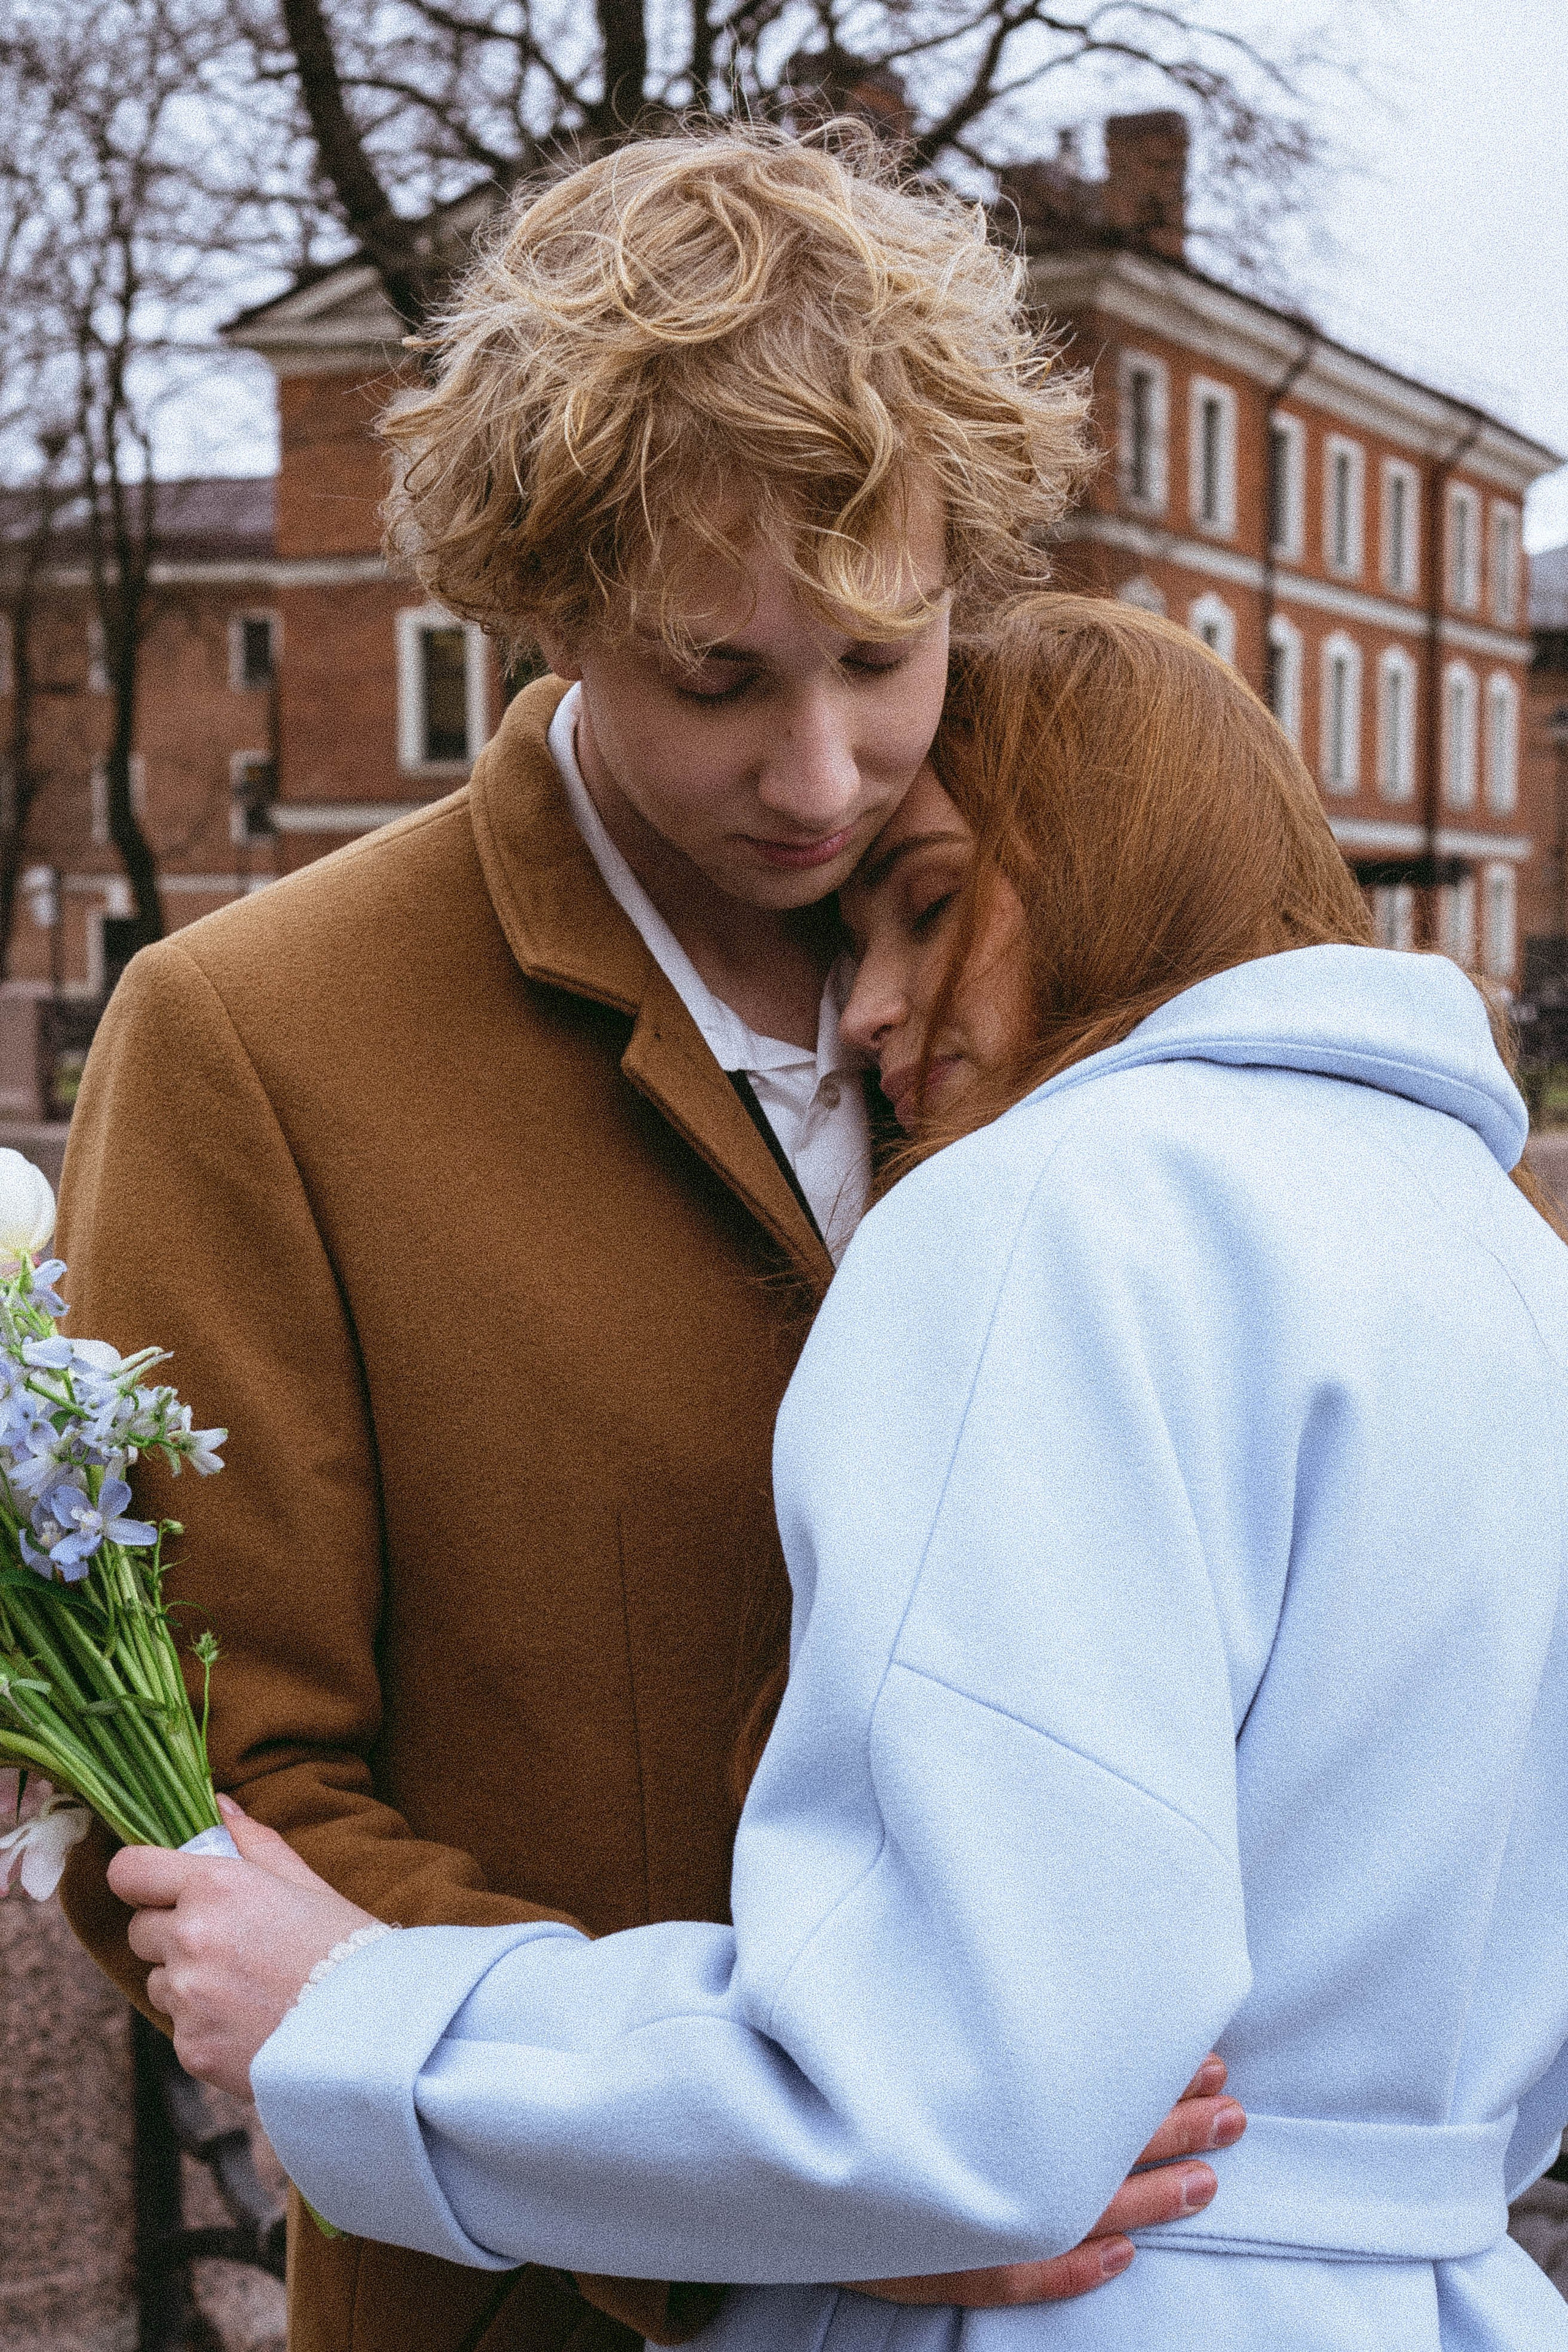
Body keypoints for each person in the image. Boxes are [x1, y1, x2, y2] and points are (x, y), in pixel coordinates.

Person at [59, 135, 1234, 2352]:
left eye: (888, 655)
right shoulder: (251, 1036)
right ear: (549, 601)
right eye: (718, 676)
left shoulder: (1091, 961)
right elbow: (203, 1796)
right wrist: (774, 2180)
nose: (824, 770)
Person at [116, 596, 1568, 2352]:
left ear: (1130, 859)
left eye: (936, 905)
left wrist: (361, 2019)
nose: (871, 1004)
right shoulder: (1505, 1257)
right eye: (721, 669)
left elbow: (936, 2105)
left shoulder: (1044, 1201)